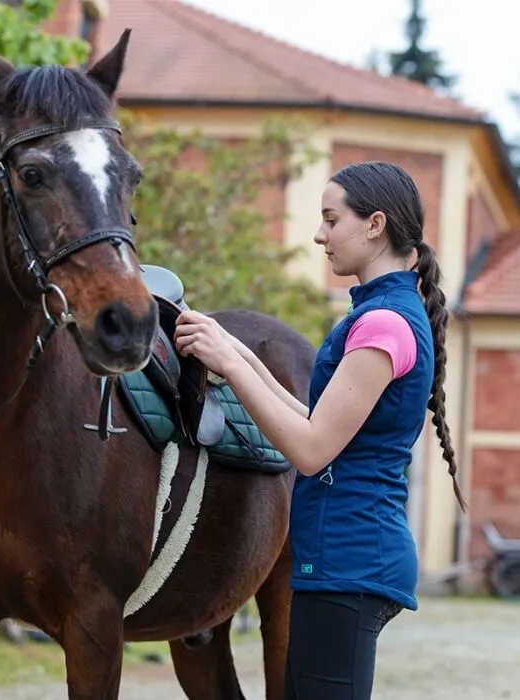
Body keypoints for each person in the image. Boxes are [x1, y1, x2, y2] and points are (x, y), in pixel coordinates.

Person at [173, 161, 465, 700]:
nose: (319, 234)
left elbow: (311, 450)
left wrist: (232, 365)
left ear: (374, 224)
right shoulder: (381, 313)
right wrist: (231, 350)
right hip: (342, 559)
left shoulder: (384, 324)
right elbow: (314, 421)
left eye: (332, 219)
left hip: (350, 560)